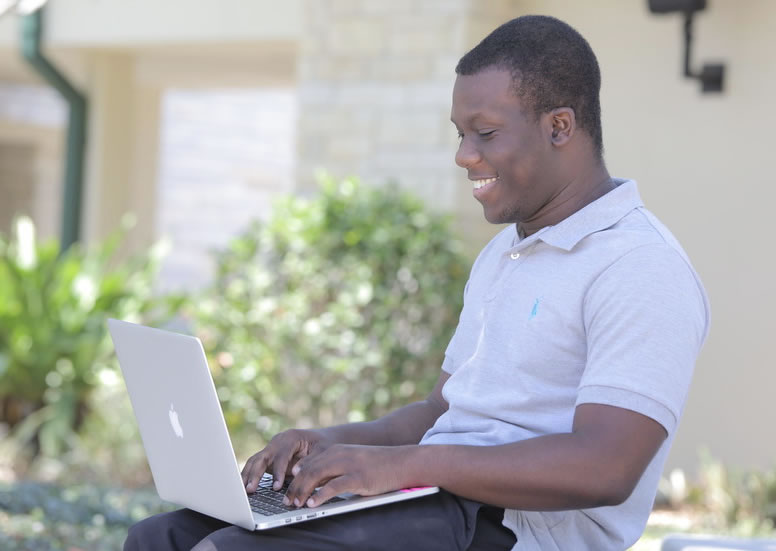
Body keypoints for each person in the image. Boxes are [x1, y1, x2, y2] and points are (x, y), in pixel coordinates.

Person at [125, 14, 709, 551]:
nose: (464, 156)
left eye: (484, 133)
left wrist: (405, 467)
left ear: (559, 126)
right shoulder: (507, 254)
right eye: (460, 133)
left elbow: (605, 468)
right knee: (160, 540)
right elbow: (440, 411)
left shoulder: (638, 265)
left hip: (517, 529)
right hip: (439, 502)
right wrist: (327, 441)